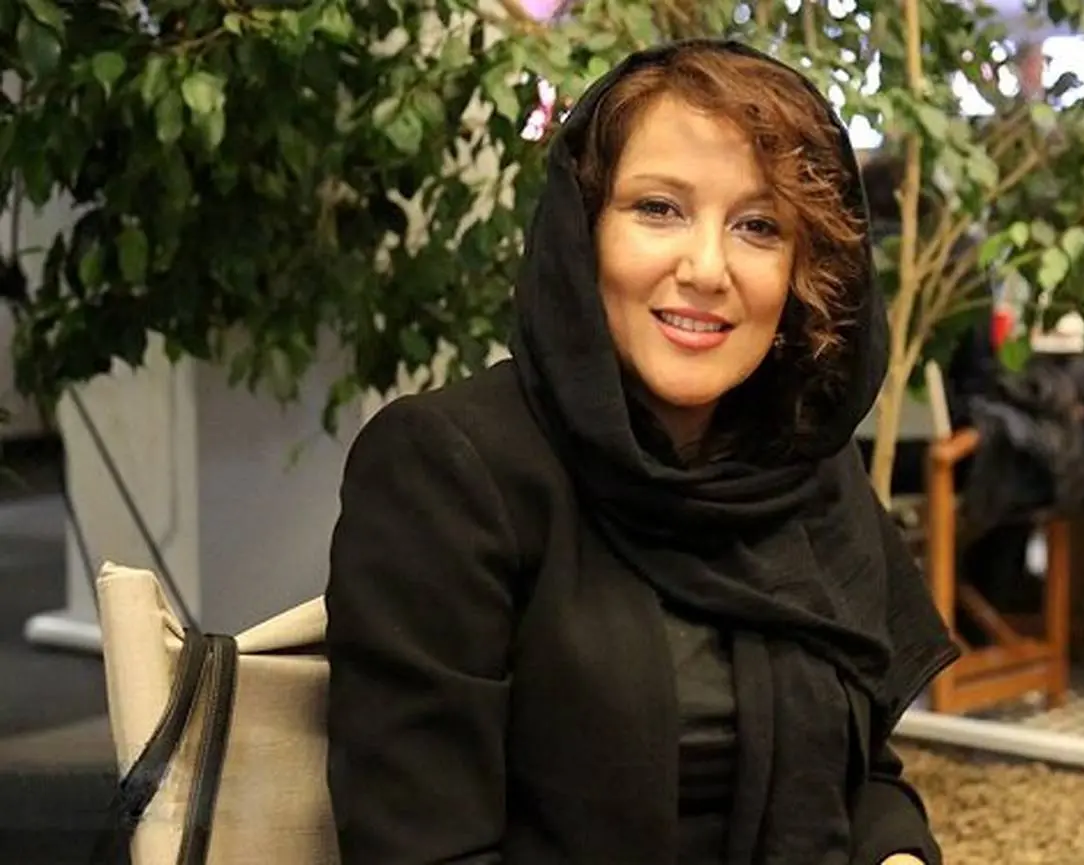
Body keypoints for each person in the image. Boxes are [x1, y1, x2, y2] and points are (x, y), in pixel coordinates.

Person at [325, 40, 958, 865]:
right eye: (659, 208)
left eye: (758, 226)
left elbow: (858, 772)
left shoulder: (804, 471)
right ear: (583, 228)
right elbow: (425, 848)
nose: (707, 268)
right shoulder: (448, 470)